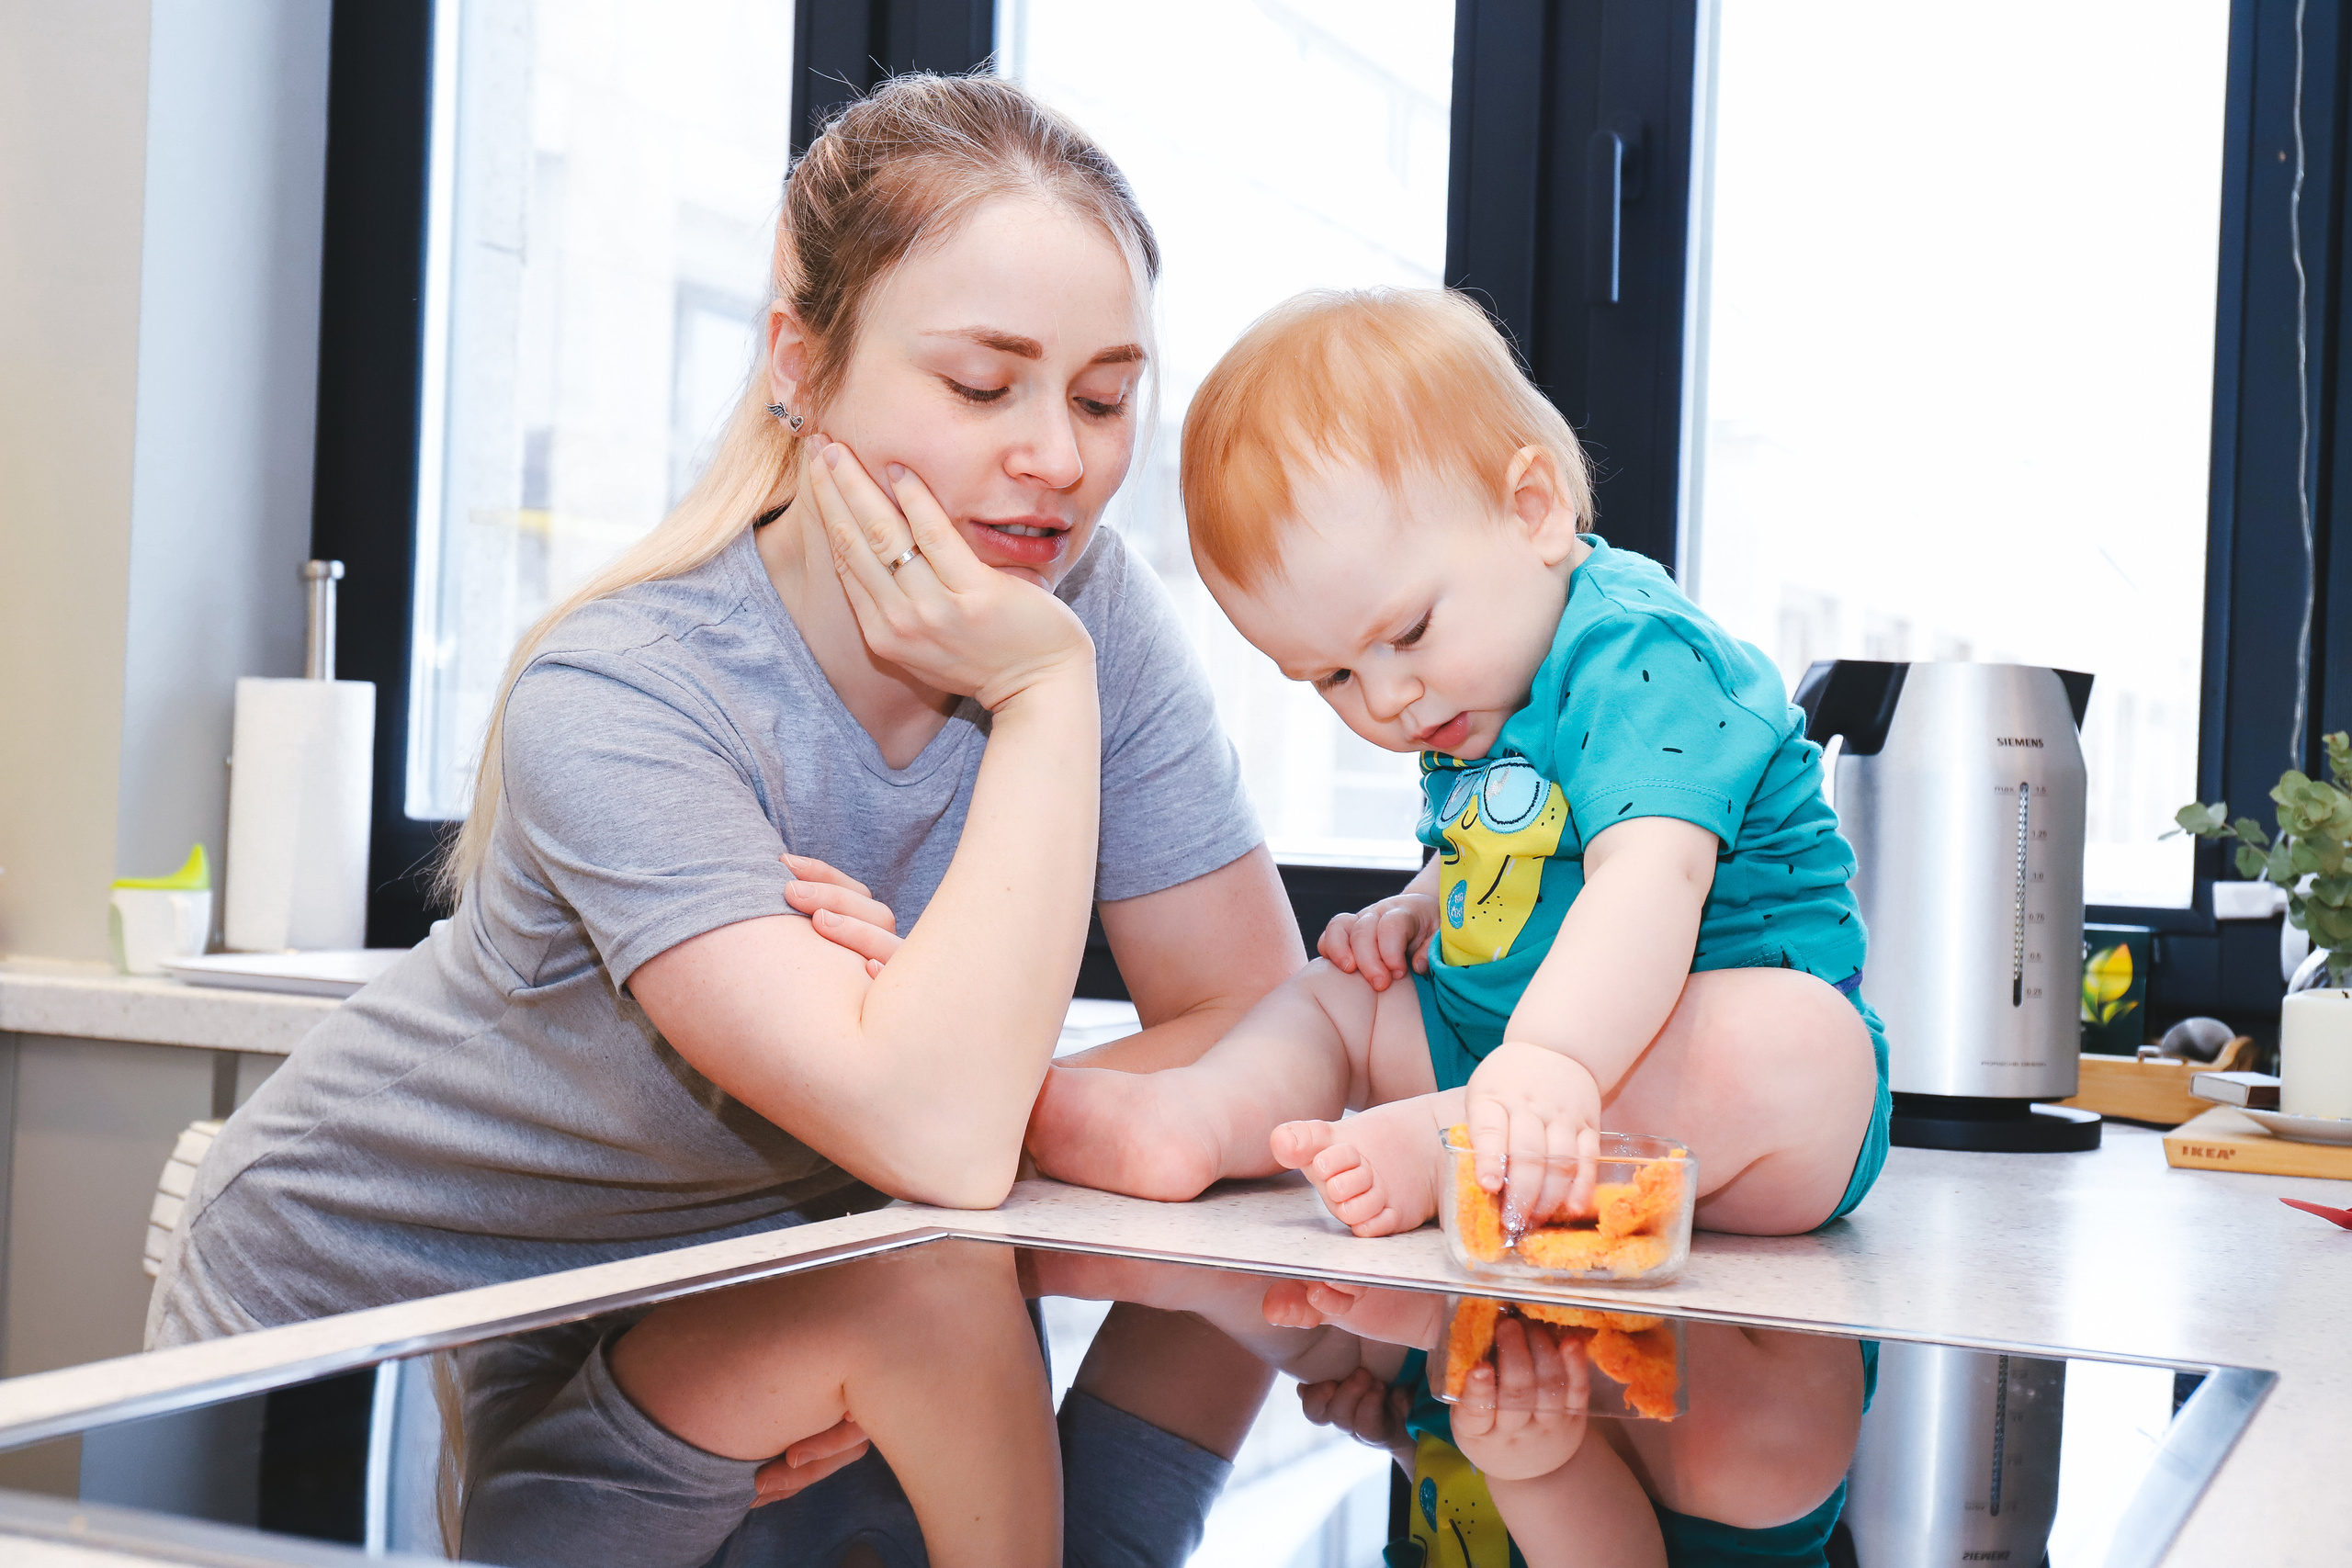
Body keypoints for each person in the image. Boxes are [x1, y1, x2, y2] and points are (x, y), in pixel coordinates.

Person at [148, 73, 1298, 1560]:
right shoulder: (629, 684)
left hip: (734, 1302)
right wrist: (1036, 714)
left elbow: (1264, 1022)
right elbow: (942, 1138)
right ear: (799, 365)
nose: (1061, 459)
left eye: (1102, 396)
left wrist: (914, 1028)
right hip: (352, 1318)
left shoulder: (1084, 619)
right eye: (980, 383)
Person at [1028, 285, 1890, 1247]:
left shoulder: (1641, 654)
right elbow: (1513, 843)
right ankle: (1205, 1119)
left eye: (1406, 632)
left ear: (1531, 511)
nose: (1386, 699)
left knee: (1803, 1044)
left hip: (1708, 1102)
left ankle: (1447, 1148)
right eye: (1334, 676)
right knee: (1338, 997)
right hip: (1503, 1053)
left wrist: (1554, 1057)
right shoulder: (1468, 687)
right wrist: (1417, 905)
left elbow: (1650, 878)